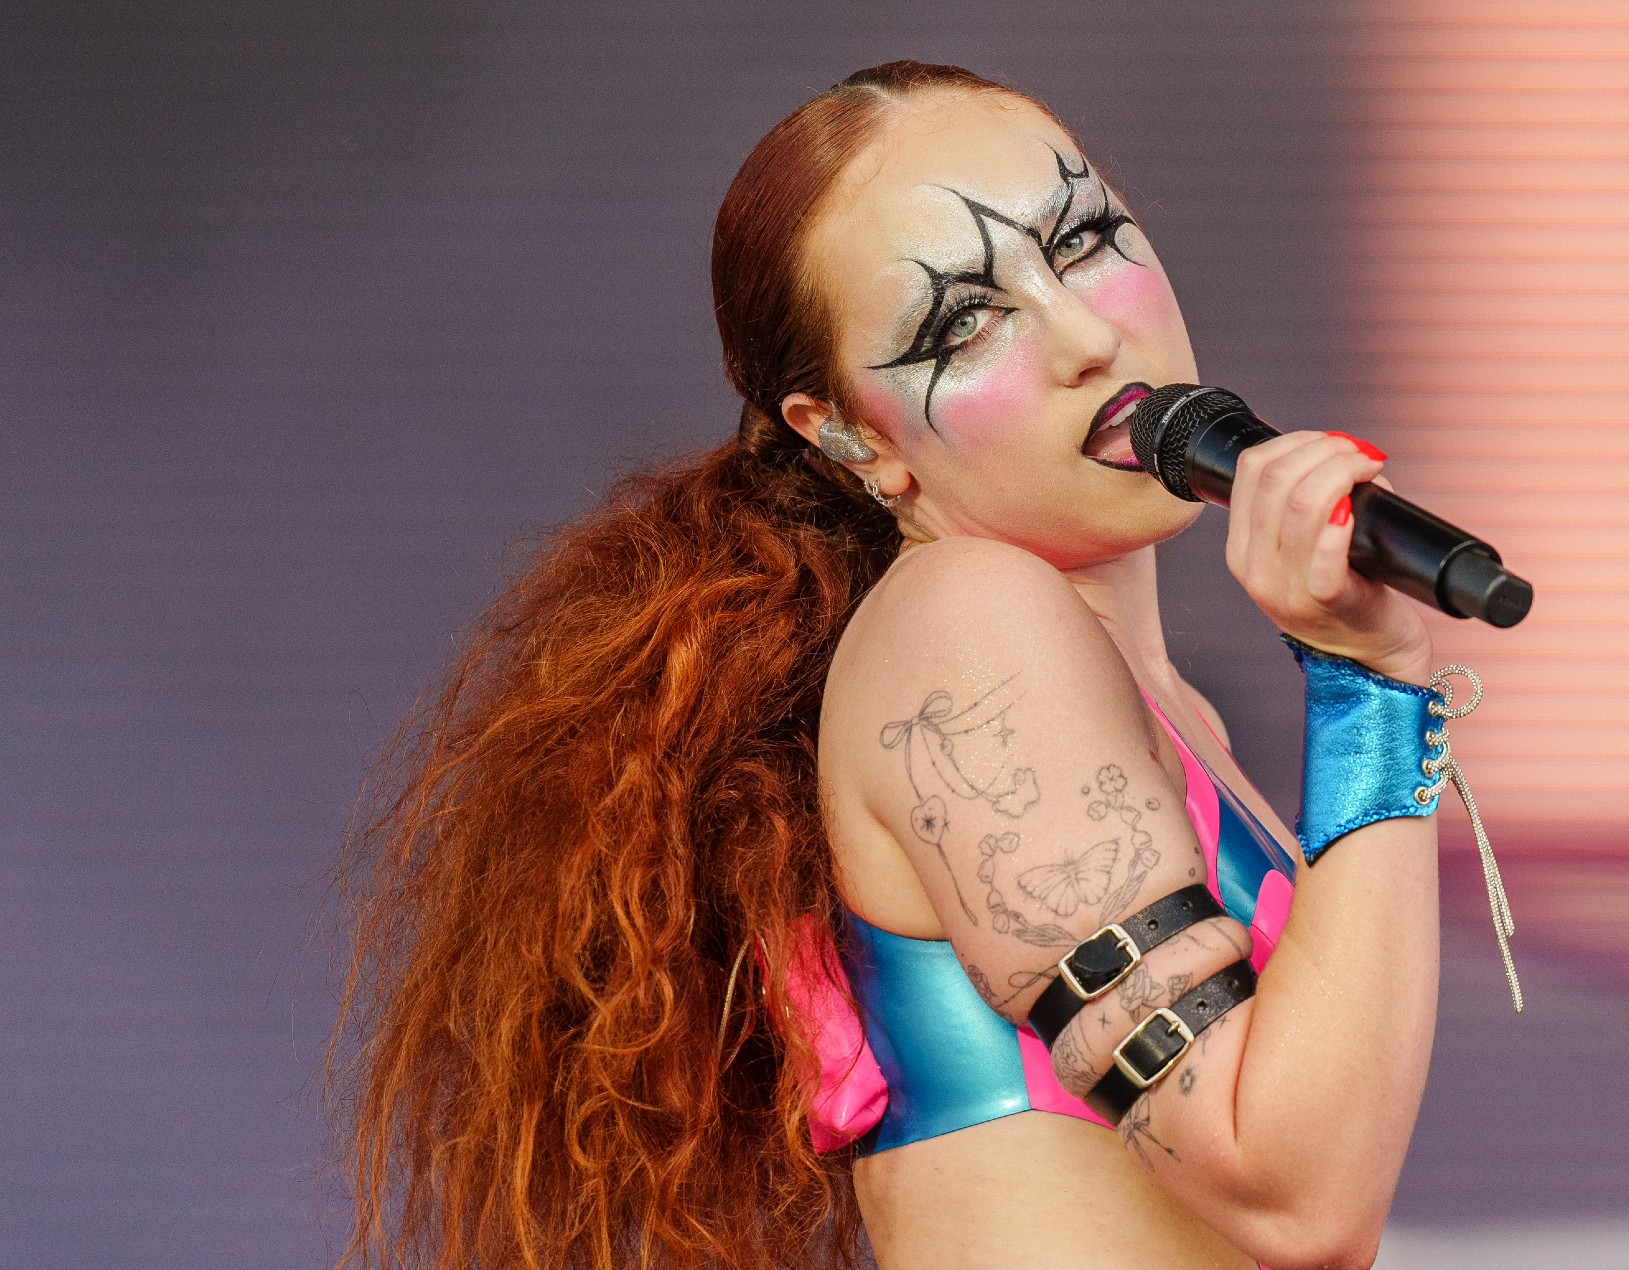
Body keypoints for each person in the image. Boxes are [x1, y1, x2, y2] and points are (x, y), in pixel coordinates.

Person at [333, 60, 1481, 1270]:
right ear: (843, 436)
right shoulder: (968, 622)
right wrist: (1368, 687)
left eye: (1084, 240)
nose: (1088, 336)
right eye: (963, 321)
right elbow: (1291, 1189)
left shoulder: (1152, 699)